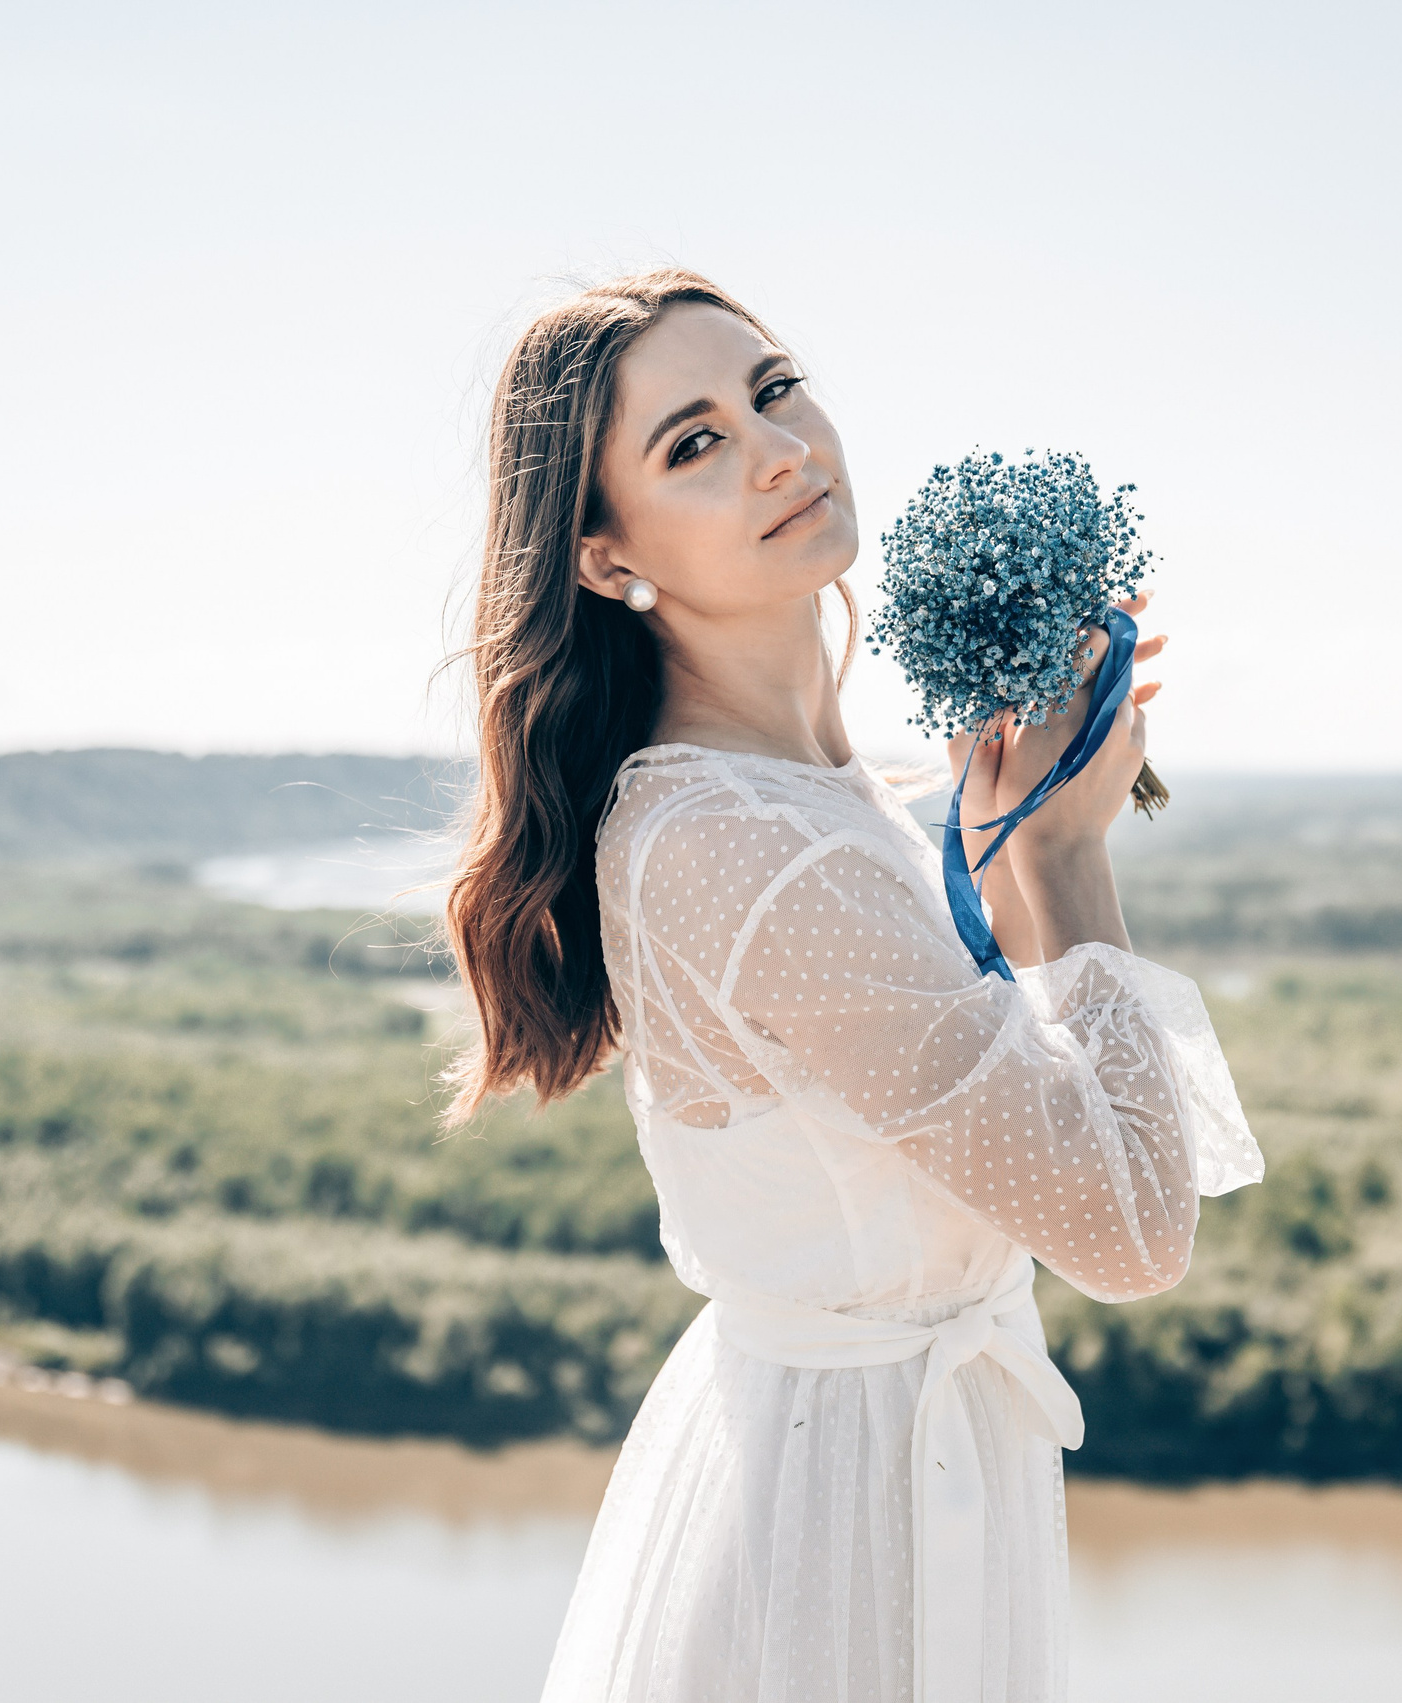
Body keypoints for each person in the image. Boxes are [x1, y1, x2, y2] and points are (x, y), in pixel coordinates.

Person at [444, 267, 1263, 1703]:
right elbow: (1133, 1233)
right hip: (845, 1538)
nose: (779, 449)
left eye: (774, 390)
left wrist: (998, 846)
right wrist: (1066, 860)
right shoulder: (749, 852)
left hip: (888, 1468)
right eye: (694, 444)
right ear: (604, 557)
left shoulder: (829, 804)